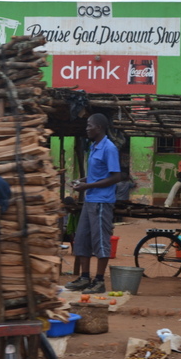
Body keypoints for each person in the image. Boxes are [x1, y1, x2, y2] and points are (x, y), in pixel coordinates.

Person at [66, 113, 121, 294]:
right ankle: (84, 278)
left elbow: (115, 177)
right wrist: (82, 181)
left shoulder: (109, 148)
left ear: (99, 127)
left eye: (89, 125)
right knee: (81, 239)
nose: (87, 128)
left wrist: (87, 185)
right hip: (90, 200)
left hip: (101, 202)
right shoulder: (93, 146)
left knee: (100, 241)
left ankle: (99, 281)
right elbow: (98, 175)